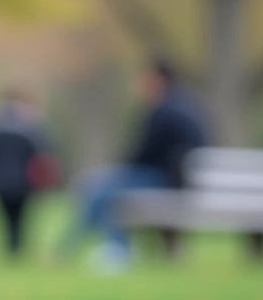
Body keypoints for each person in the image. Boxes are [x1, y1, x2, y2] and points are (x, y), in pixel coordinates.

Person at [60, 58, 208, 269]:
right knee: (99, 188)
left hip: (167, 181)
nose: (140, 85)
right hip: (179, 180)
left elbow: (144, 153)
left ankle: (110, 249)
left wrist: (122, 163)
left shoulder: (165, 111)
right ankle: (84, 247)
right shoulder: (187, 105)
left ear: (157, 79)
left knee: (101, 193)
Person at [0, 88, 58, 258]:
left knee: (6, 217)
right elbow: (43, 155)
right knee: (22, 217)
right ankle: (18, 247)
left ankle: (10, 248)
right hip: (25, 182)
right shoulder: (32, 129)